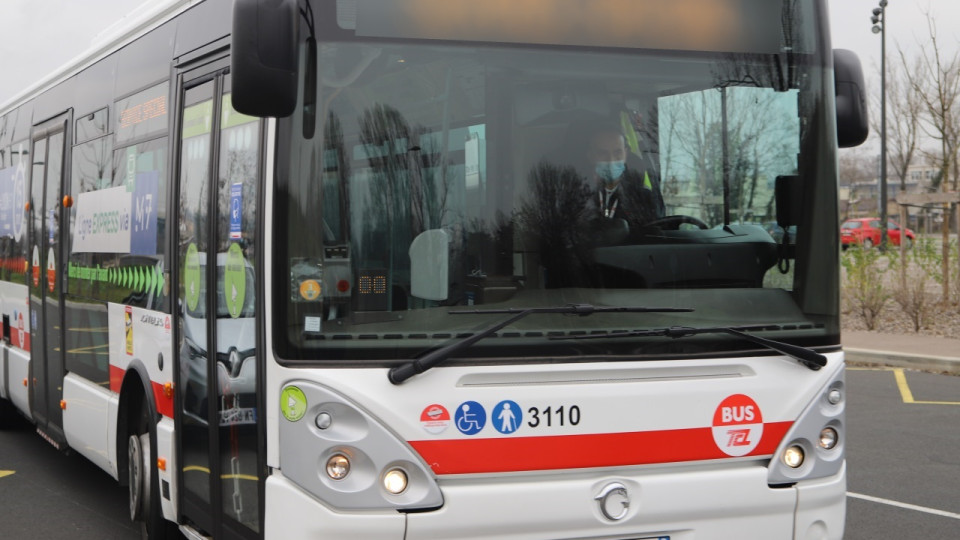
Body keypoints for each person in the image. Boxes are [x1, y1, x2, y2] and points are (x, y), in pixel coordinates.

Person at [585, 123, 666, 231]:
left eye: (617, 152)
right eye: (603, 153)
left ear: (626, 154)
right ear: (590, 156)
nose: (611, 160)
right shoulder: (577, 191)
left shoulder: (640, 194)